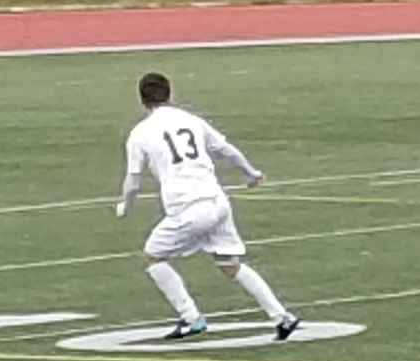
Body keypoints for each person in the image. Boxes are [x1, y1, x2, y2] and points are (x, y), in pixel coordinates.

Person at [115, 72, 298, 342]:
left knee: (152, 258)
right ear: (169, 93)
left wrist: (125, 206)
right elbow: (227, 150)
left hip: (187, 208)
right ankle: (282, 317)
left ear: (142, 99)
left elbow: (133, 180)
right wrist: (252, 174)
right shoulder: (191, 120)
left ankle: (191, 318)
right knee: (230, 264)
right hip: (217, 202)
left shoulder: (140, 133)